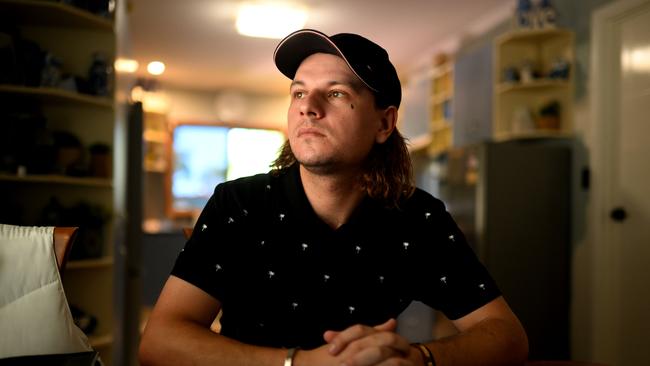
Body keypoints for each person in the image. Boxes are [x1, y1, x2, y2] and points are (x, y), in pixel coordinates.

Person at [139, 29, 528, 366]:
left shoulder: (416, 218)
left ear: (383, 123)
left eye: (336, 93)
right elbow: (159, 343)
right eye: (299, 93)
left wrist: (421, 358)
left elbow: (507, 336)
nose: (308, 107)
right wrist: (301, 363)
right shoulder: (239, 204)